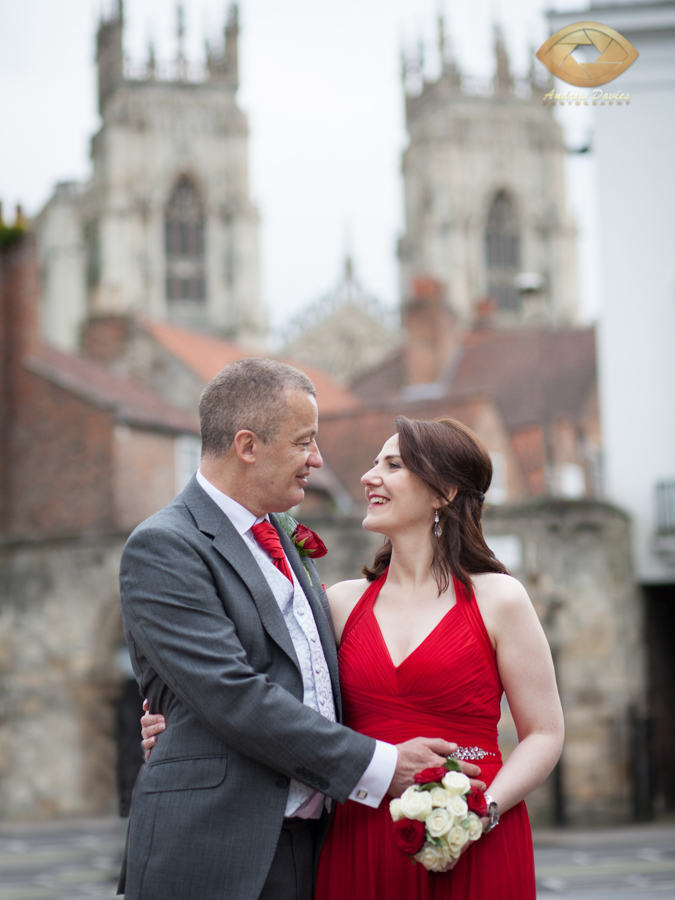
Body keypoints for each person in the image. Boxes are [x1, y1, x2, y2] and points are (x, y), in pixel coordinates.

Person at [145, 414, 563, 898]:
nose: (369, 476)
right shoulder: (340, 604)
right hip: (360, 832)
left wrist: (482, 812)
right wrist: (178, 727)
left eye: (392, 465)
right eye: (374, 463)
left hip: (475, 832)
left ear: (444, 492)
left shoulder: (500, 599)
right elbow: (258, 694)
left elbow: (545, 732)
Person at [120, 359, 482, 900]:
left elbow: (317, 679)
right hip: (212, 848)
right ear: (248, 446)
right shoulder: (166, 545)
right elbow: (231, 694)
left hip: (316, 847)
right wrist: (382, 766)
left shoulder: (283, 540)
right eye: (304, 442)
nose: (317, 459)